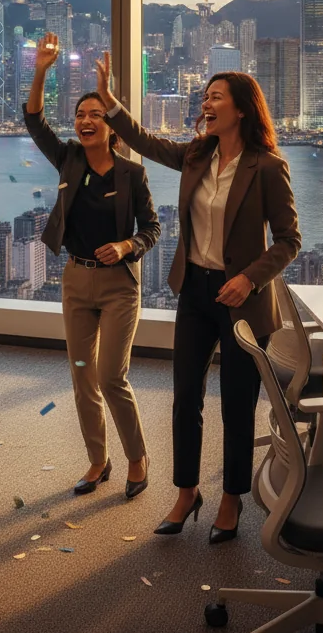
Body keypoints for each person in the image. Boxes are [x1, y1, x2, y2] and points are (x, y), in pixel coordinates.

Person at [95, 55, 300, 541]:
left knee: (236, 404)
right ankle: (186, 492)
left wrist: (249, 279)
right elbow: (145, 141)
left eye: (216, 97)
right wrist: (109, 102)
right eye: (205, 96)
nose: (206, 103)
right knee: (186, 397)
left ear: (241, 109)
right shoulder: (195, 155)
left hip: (242, 299)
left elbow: (289, 240)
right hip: (195, 291)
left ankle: (231, 498)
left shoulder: (268, 167)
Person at [24, 32, 160, 499]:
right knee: (83, 375)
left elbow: (152, 229)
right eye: (81, 114)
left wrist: (126, 246)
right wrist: (41, 70)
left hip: (120, 285)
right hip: (77, 282)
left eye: (95, 114)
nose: (85, 120)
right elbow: (34, 121)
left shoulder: (132, 174)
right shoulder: (68, 160)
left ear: (111, 125)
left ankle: (137, 458)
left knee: (110, 376)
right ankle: (98, 461)